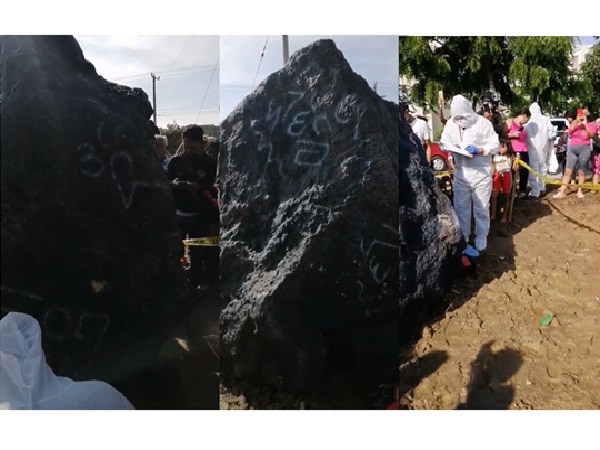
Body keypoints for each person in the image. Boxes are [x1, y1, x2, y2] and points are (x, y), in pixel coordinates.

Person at [440, 95, 500, 257]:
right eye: (456, 118)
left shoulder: (483, 124)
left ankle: (481, 238)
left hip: (481, 173)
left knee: (481, 208)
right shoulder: (452, 125)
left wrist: (479, 150)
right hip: (461, 174)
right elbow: (443, 141)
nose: (459, 120)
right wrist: (452, 148)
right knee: (461, 208)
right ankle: (464, 237)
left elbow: (495, 146)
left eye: (461, 117)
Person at [167, 125, 218, 287]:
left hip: (200, 216)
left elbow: (213, 186)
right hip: (178, 215)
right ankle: (176, 284)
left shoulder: (209, 163)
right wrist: (175, 184)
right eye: (186, 147)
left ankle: (194, 285)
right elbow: (165, 182)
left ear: (201, 144)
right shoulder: (176, 161)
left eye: (193, 147)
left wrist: (200, 187)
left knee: (197, 253)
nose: (189, 150)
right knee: (175, 252)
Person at [553, 110, 598, 199]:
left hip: (585, 149)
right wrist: (577, 122)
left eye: (583, 115)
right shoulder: (574, 122)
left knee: (581, 172)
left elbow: (592, 136)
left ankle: (579, 191)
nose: (581, 116)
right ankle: (562, 191)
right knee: (568, 171)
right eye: (580, 114)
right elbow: (570, 132)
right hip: (573, 148)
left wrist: (585, 125)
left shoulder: (591, 125)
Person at [524, 103, 556, 198]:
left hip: (532, 148)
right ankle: (542, 187)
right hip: (544, 147)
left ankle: (535, 192)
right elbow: (551, 134)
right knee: (543, 167)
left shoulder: (529, 121)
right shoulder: (546, 119)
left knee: (533, 169)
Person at [502, 108, 531, 198]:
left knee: (524, 172)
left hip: (524, 150)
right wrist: (512, 135)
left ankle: (522, 190)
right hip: (513, 151)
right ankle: (511, 191)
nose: (526, 122)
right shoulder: (510, 122)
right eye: (527, 119)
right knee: (512, 172)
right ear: (524, 116)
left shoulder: (523, 127)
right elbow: (502, 135)